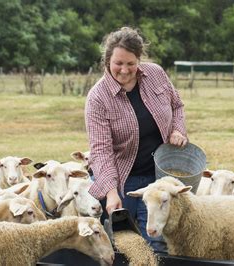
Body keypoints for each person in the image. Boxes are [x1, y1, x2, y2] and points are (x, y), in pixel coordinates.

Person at [85, 26, 187, 253]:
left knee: (158, 241)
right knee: (128, 244)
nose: (124, 70)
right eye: (118, 63)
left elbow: (177, 105)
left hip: (160, 176)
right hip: (124, 179)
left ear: (139, 60)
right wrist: (111, 192)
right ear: (107, 60)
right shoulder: (98, 98)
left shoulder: (156, 75)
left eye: (131, 63)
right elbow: (101, 151)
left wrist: (177, 130)